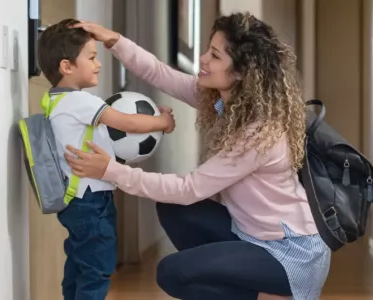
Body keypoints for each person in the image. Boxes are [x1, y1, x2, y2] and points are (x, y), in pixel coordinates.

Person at [65, 12, 331, 300]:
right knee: (173, 209)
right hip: (251, 234)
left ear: (242, 72)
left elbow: (189, 188)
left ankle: (270, 296)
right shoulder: (224, 102)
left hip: (290, 253)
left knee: (173, 273)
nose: (204, 59)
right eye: (207, 50)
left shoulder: (258, 132)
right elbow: (159, 73)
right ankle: (250, 286)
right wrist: (114, 40)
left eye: (215, 56)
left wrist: (110, 171)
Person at [37, 18, 175, 300]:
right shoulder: (80, 102)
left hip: (75, 199)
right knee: (97, 267)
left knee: (79, 264)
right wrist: (162, 122)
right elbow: (127, 123)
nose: (98, 63)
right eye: (91, 57)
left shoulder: (53, 101)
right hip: (91, 201)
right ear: (67, 66)